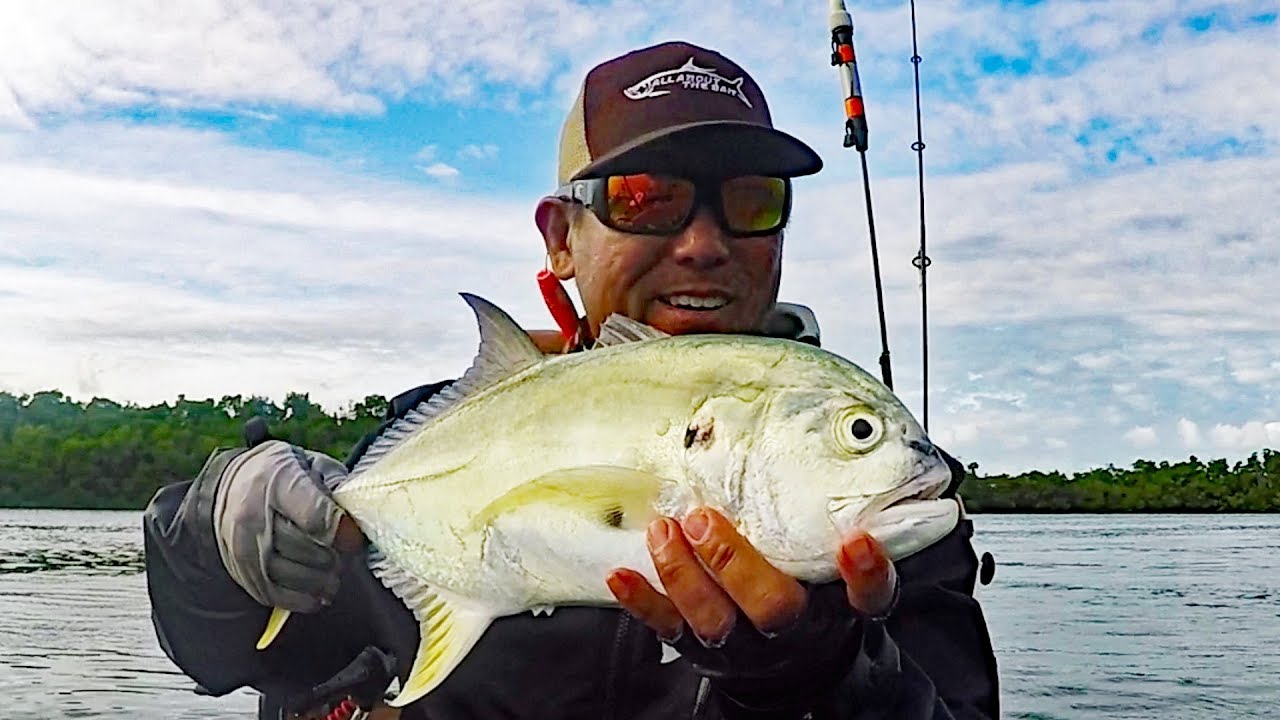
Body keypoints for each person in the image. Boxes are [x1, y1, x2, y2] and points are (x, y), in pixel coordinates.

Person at [144, 41, 999, 719]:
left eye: (750, 200)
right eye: (643, 197)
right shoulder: (429, 444)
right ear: (561, 238)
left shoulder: (893, 526)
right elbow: (226, 659)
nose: (704, 243)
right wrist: (201, 545)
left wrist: (822, 676)